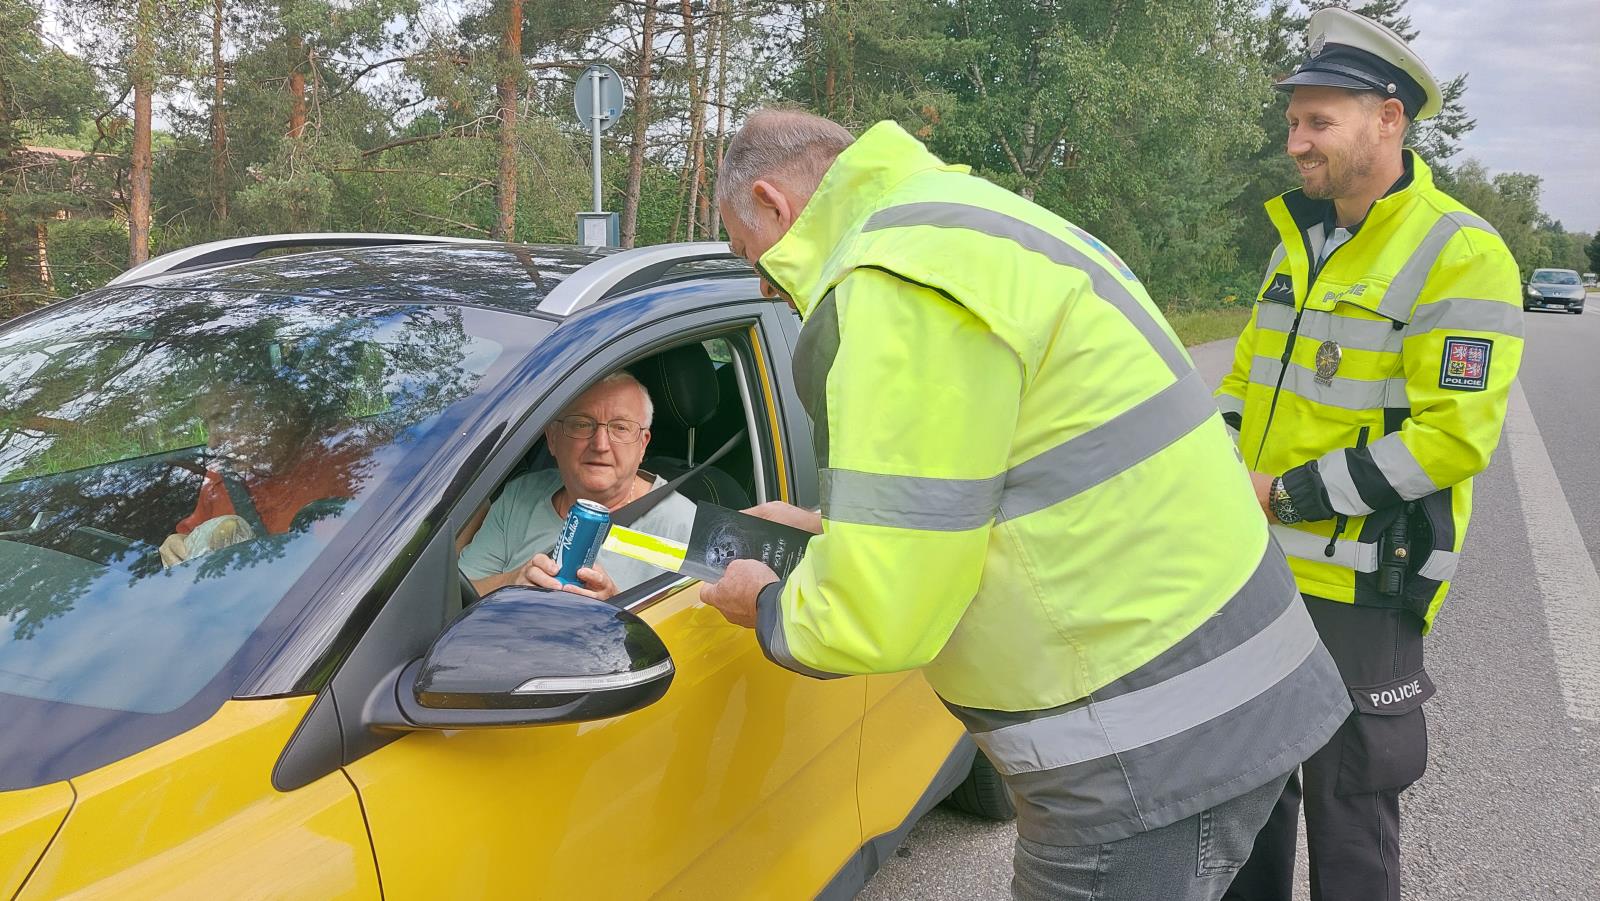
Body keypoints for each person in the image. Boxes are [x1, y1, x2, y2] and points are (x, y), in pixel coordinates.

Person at [699, 108, 1352, 901]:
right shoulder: (975, 227)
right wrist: (831, 530)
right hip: (1226, 689)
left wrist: (767, 601)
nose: (765, 281)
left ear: (772, 203)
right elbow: (1007, 475)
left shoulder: (892, 282)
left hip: (1143, 750)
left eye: (748, 250)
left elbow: (877, 617)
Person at [1214, 10, 1524, 901]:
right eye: (1293, 122)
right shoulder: (1299, 241)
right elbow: (1244, 381)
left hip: (1364, 580)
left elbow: (1449, 437)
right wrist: (1216, 468)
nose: (1296, 141)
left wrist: (1284, 492)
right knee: (1251, 789)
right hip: (1260, 567)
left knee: (1349, 816)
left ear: (1388, 120)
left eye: (1319, 121)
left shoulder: (1459, 251)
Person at [460, 371, 696, 601]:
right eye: (582, 425)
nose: (601, 444)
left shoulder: (681, 526)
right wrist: (512, 583)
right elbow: (458, 595)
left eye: (620, 427)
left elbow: (688, 631)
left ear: (642, 445)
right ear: (552, 439)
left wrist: (614, 609)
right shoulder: (521, 496)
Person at [160, 384, 359, 567]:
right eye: (209, 424)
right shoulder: (219, 483)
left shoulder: (343, 471)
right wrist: (175, 544)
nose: (212, 443)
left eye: (224, 421)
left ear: (275, 416)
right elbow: (186, 541)